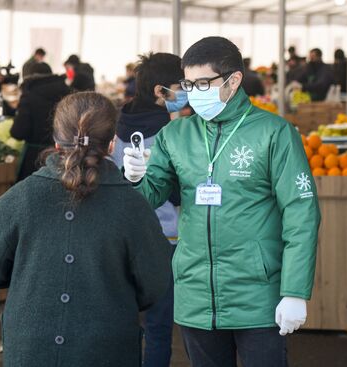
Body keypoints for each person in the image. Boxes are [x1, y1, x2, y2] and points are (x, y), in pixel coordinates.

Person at [123, 36, 320, 367]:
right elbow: (150, 196)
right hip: (195, 296)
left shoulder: (274, 133)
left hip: (258, 296)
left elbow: (302, 214)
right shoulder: (176, 135)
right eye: (189, 83)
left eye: (204, 82)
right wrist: (135, 178)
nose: (194, 92)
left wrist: (295, 291)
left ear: (234, 80)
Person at [0, 91, 171, 367]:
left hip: (30, 347)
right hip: (108, 345)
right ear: (112, 144)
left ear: (55, 143)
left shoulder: (21, 197)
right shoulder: (133, 205)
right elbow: (155, 283)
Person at [111, 52, 185, 367]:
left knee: (124, 322)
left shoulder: (116, 123)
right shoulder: (172, 132)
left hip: (120, 236)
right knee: (158, 324)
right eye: (180, 86)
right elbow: (180, 192)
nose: (186, 92)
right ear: (159, 91)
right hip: (164, 237)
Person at [10, 62, 70, 181]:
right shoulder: (68, 92)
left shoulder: (29, 95)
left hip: (34, 160)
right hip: (66, 157)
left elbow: (18, 132)